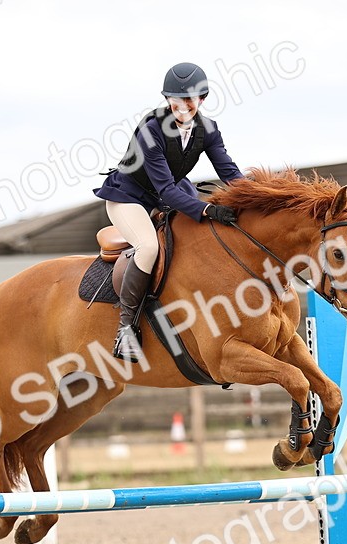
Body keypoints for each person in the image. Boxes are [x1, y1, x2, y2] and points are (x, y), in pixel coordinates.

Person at [95, 62, 245, 362]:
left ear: (202, 99)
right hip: (130, 197)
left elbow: (229, 172)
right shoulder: (152, 130)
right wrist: (207, 210)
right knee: (149, 247)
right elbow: (166, 191)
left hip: (170, 194)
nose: (182, 106)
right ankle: (126, 329)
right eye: (175, 100)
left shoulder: (208, 130)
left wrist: (255, 201)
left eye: (189, 100)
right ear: (168, 100)